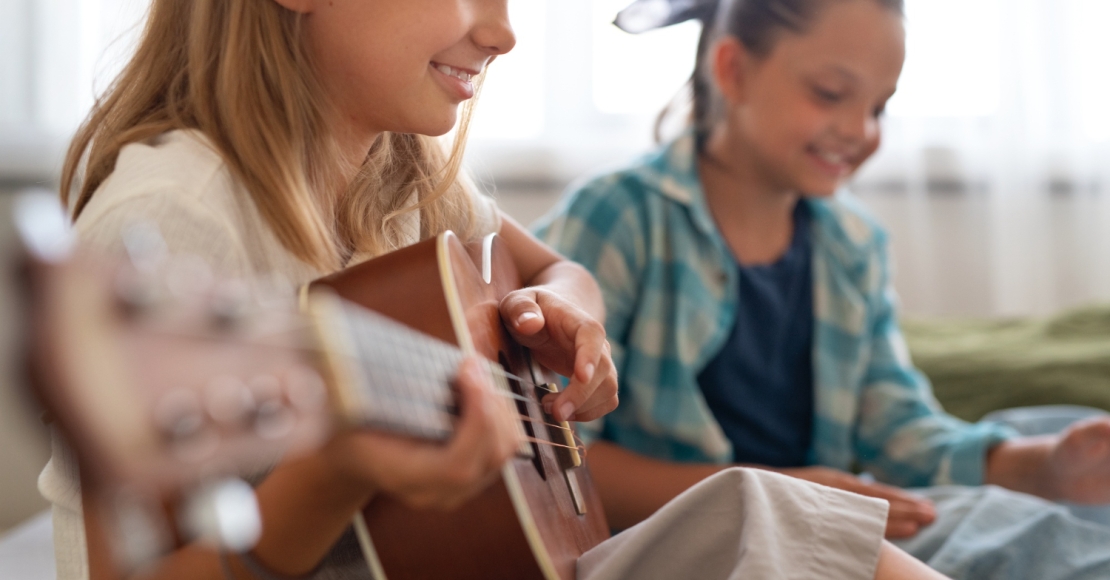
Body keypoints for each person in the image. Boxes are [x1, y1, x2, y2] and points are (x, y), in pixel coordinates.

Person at [40, 0, 947, 579]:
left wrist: (574, 318)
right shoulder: (169, 218)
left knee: (785, 522)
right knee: (770, 512)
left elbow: (560, 269)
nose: (505, 31)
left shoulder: (408, 174)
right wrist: (339, 469)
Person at [537, 0, 1110, 578]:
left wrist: (1042, 468)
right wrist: (778, 492)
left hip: (830, 526)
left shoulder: (853, 244)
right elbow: (554, 451)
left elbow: (900, 433)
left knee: (1046, 447)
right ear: (733, 70)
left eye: (880, 107)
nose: (861, 131)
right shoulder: (620, 216)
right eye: (831, 93)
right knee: (1027, 538)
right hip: (695, 546)